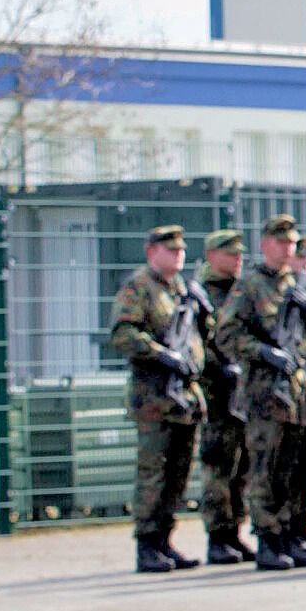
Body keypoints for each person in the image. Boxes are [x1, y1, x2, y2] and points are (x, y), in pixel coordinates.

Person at [216, 215, 306, 570]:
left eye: (292, 244)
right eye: (281, 243)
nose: (287, 249)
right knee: (265, 467)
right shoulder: (250, 285)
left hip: (295, 393)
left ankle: (289, 533)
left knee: (291, 470)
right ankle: (268, 538)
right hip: (265, 392)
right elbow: (227, 334)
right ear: (265, 245)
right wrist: (263, 352)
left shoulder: (294, 285)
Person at [112, 224, 209, 574]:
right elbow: (122, 333)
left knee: (178, 473)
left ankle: (166, 540)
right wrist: (159, 353)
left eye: (181, 250)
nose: (178, 255)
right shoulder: (140, 287)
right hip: (153, 395)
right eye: (170, 250)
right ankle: (148, 543)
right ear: (152, 252)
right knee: (154, 472)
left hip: (182, 396)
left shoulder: (183, 290)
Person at [193, 228, 253, 563]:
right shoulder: (201, 294)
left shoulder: (241, 291)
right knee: (218, 462)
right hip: (215, 389)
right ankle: (218, 534)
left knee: (242, 463)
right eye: (230, 253)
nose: (237, 259)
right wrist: (220, 366)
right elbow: (198, 341)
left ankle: (234, 530)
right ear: (213, 256)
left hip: (242, 389)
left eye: (239, 253)